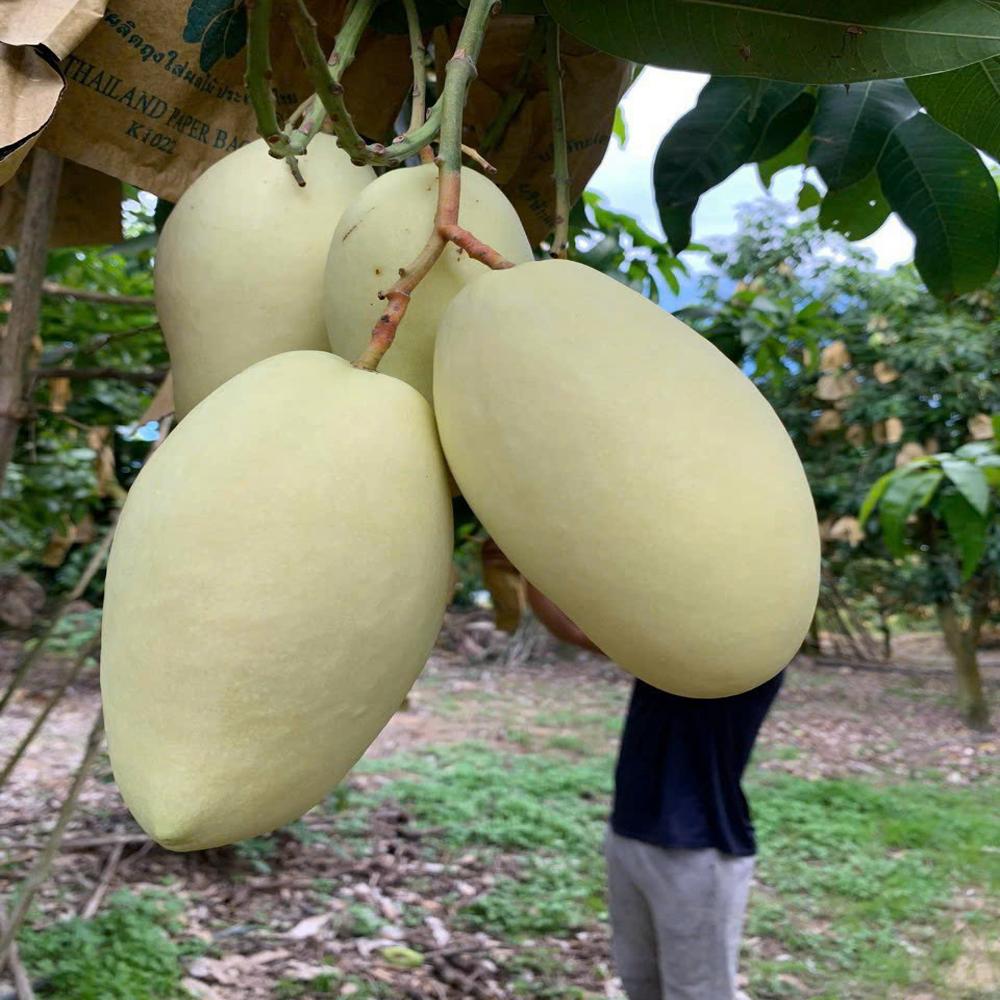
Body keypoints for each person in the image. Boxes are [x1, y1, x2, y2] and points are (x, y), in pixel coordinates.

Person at [605, 672, 784, 1000]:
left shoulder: (755, 651)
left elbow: (579, 633)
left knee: (697, 993)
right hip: (632, 830)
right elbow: (579, 630)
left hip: (700, 850)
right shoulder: (657, 643)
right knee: (640, 985)